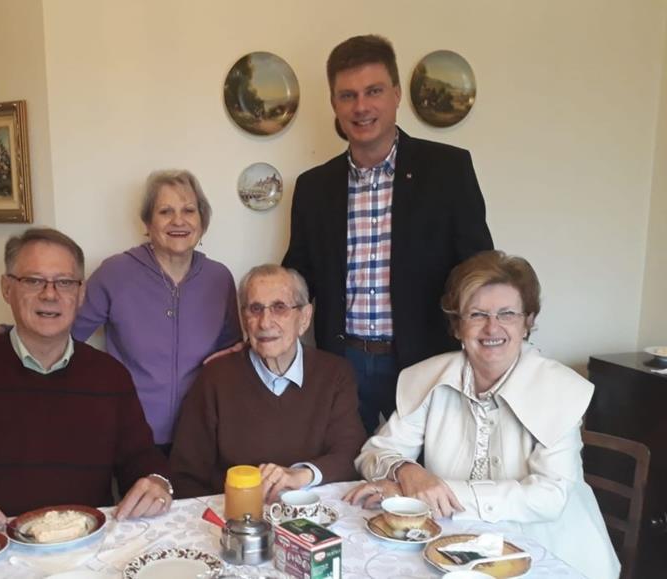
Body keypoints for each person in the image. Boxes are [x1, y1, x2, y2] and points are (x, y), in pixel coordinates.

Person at [343, 250, 619, 579]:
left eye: (507, 314)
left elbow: (548, 497)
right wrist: (405, 470)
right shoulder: (428, 378)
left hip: (550, 549)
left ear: (528, 322)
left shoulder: (559, 389)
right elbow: (374, 453)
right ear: (458, 326)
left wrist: (429, 491)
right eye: (476, 315)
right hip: (453, 548)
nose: (492, 327)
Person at [282, 35, 493, 435]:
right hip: (342, 361)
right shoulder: (313, 186)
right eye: (347, 95)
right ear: (334, 104)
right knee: (346, 479)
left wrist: (490, 343)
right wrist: (265, 320)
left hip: (424, 359)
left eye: (373, 91)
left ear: (396, 94)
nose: (361, 107)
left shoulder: (448, 170)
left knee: (427, 480)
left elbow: (478, 269)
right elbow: (299, 274)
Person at [0, 170, 241, 453]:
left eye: (189, 210)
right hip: (133, 431)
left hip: (201, 434)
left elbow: (232, 354)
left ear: (202, 221)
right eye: (165, 211)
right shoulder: (117, 273)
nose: (179, 220)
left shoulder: (219, 278)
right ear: (147, 223)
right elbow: (61, 330)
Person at [0, 228, 173, 527]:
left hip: (83, 551)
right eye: (33, 280)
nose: (50, 294)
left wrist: (157, 482)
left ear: (80, 294)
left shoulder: (110, 376)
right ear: (6, 288)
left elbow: (143, 460)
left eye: (64, 282)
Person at [170, 265, 366, 502]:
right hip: (238, 515)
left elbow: (350, 454)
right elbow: (185, 474)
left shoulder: (335, 373)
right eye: (255, 309)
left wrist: (300, 475)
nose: (264, 323)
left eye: (279, 307)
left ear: (304, 318)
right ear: (244, 319)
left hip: (309, 512)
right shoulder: (216, 377)